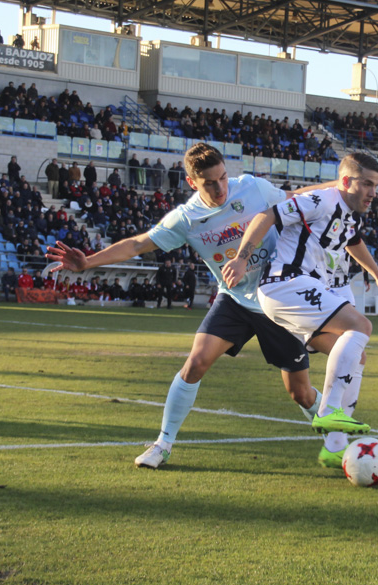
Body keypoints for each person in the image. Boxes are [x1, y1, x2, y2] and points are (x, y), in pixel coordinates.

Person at [46, 142, 336, 469]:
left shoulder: (254, 188)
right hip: (235, 300)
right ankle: (163, 443)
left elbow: (298, 195)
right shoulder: (185, 219)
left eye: (223, 177)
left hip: (278, 300)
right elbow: (138, 243)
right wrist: (89, 263)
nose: (220, 187)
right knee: (195, 363)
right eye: (210, 182)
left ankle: (336, 437)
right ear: (192, 182)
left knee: (301, 394)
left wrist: (340, 184)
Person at [223, 152, 378, 465]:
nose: (373, 192)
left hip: (304, 292)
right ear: (347, 181)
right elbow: (266, 216)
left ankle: (334, 447)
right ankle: (329, 410)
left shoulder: (352, 213)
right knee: (361, 326)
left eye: (376, 185)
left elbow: (353, 239)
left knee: (356, 353)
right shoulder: (321, 201)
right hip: (285, 285)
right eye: (367, 184)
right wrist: (241, 258)